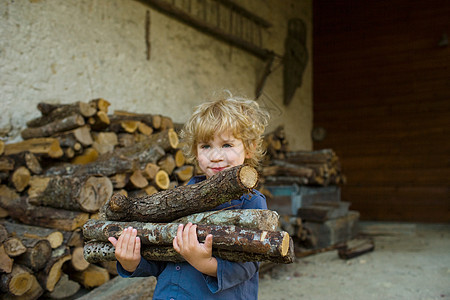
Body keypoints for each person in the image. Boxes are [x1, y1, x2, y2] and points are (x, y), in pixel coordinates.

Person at [108, 93, 270, 299]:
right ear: (195, 151)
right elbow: (161, 256)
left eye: (227, 145)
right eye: (205, 146)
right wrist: (132, 262)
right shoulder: (180, 198)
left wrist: (205, 263)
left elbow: (249, 264)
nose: (216, 156)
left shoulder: (251, 201)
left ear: (249, 148)